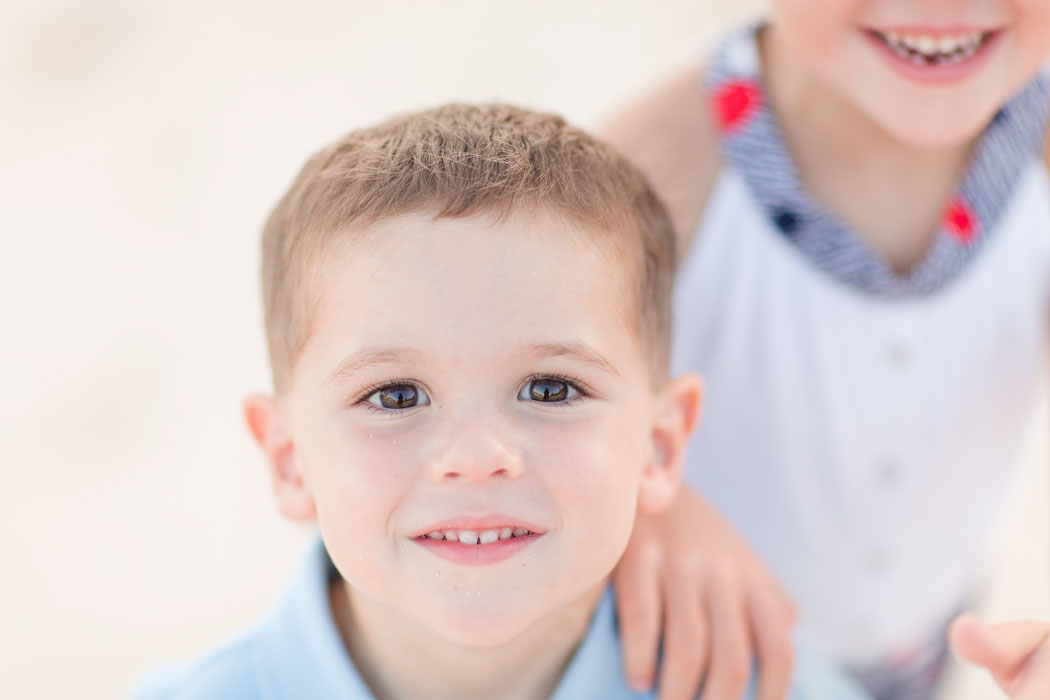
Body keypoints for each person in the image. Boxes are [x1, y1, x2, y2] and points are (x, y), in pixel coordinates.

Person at [134, 103, 866, 699]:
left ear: (660, 444)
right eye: (394, 395)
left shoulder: (767, 686)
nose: (477, 457)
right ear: (289, 459)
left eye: (550, 389)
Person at [600, 2, 1050, 699]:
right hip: (705, 658)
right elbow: (515, 395)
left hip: (926, 648)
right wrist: (644, 511)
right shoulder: (650, 167)